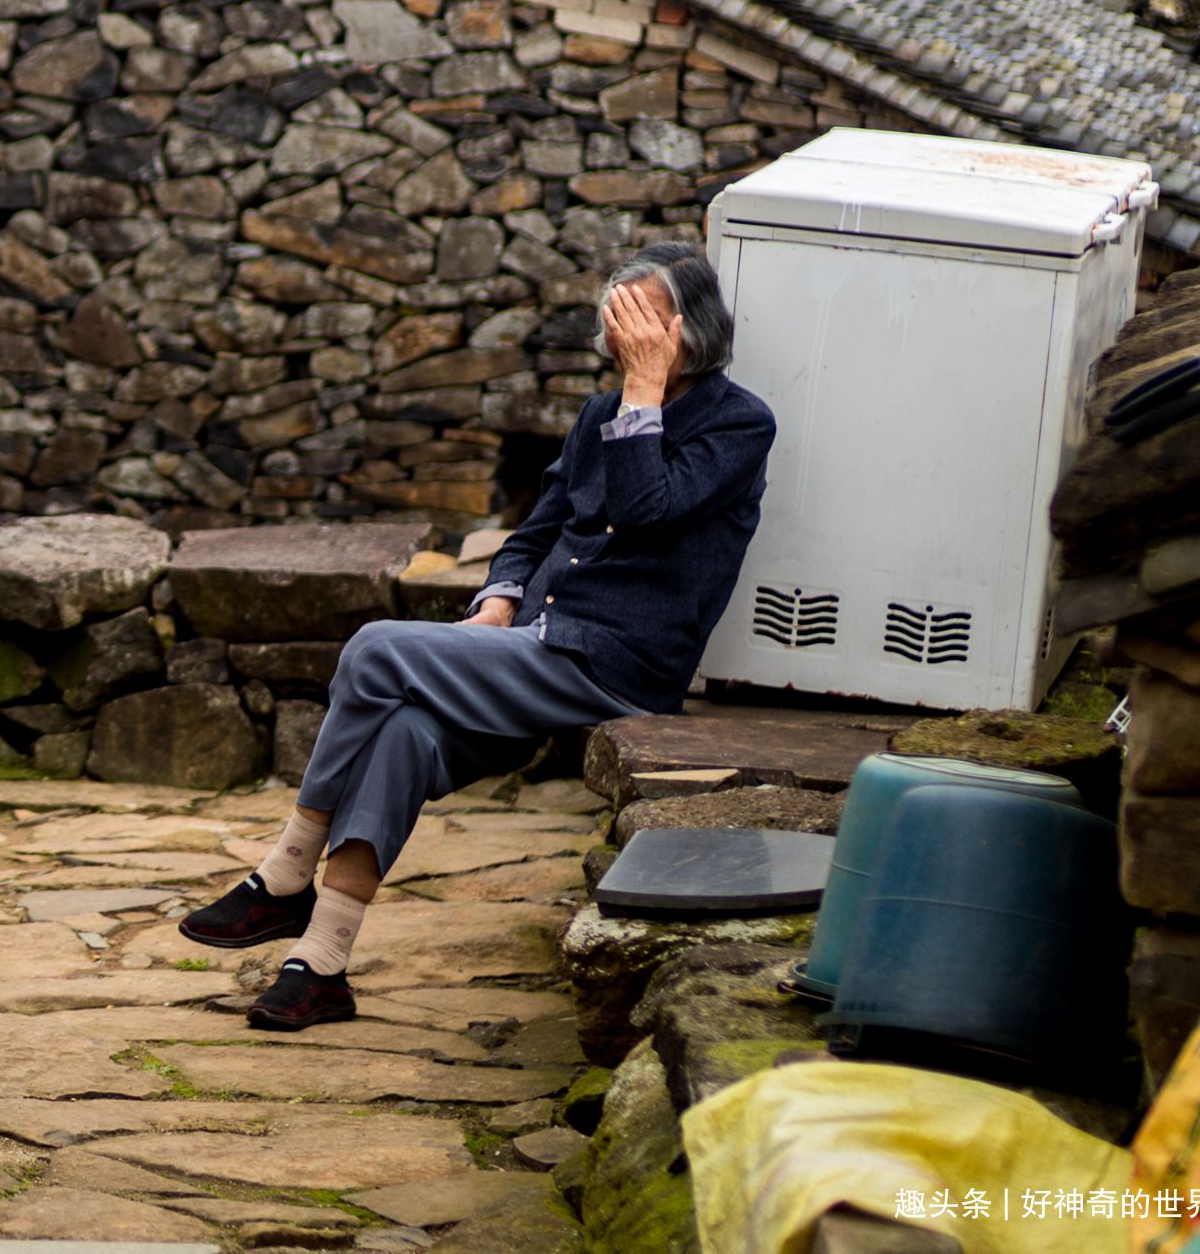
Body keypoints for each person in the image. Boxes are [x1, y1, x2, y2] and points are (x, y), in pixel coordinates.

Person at [181, 241, 776, 1031]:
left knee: (372, 647)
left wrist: (643, 388)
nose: (619, 331)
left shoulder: (739, 423)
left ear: (687, 328)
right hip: (529, 644)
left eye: (640, 318)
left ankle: (285, 871)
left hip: (615, 664)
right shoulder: (597, 416)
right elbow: (532, 536)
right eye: (615, 316)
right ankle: (319, 962)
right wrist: (497, 599)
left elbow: (645, 509)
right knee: (403, 731)